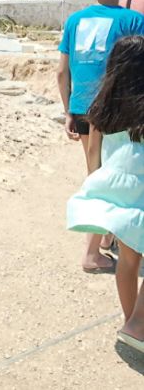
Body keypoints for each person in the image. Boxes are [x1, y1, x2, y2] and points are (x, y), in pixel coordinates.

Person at [57, 0, 144, 275]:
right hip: (121, 108)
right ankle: (95, 250)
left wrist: (68, 110)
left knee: (96, 172)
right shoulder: (133, 19)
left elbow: (61, 71)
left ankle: (106, 237)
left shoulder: (75, 20)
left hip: (83, 107)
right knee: (121, 173)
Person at [66, 36, 144, 351]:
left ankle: (133, 323)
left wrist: (97, 187)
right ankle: (137, 325)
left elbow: (93, 154)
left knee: (128, 260)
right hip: (140, 187)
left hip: (114, 189)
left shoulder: (101, 105)